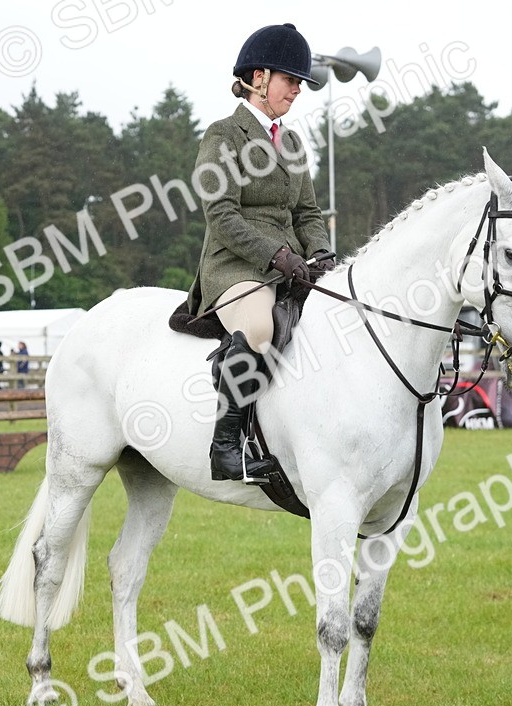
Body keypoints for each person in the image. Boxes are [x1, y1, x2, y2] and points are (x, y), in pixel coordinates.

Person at [184, 22, 335, 482]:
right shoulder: (223, 135)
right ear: (260, 77)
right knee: (257, 325)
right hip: (234, 267)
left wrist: (322, 253)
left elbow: (308, 213)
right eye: (291, 81)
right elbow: (223, 217)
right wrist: (276, 255)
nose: (297, 92)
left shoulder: (291, 143)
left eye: (299, 84)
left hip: (288, 267)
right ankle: (225, 447)